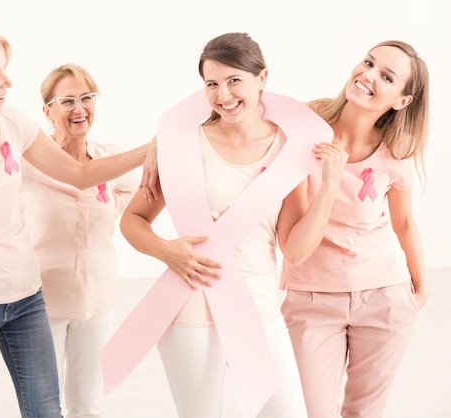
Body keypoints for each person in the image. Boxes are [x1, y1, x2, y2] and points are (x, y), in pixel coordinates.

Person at [0, 27, 152, 418]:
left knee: (46, 412)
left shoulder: (14, 124)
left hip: (27, 297)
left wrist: (150, 150)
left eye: (5, 70)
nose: (9, 81)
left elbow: (78, 174)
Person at [118, 32, 347, 418]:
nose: (223, 95)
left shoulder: (288, 152)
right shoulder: (183, 144)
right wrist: (166, 250)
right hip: (191, 307)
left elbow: (294, 249)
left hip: (259, 309)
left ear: (263, 78)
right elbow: (133, 219)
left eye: (234, 80)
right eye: (212, 84)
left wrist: (330, 188)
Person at [280, 40, 430, 418]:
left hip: (385, 296)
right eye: (369, 62)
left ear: (401, 101)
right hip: (312, 297)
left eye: (386, 76)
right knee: (312, 412)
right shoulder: (305, 126)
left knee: (365, 413)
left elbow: (404, 222)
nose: (368, 75)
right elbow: (293, 240)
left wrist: (421, 287)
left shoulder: (398, 148)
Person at [19, 63, 138, 418]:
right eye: (68, 101)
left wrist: (109, 205)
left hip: (97, 300)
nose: (79, 109)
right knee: (43, 405)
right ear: (48, 111)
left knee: (87, 404)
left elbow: (130, 192)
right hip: (43, 302)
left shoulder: (109, 157)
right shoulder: (28, 164)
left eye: (87, 98)